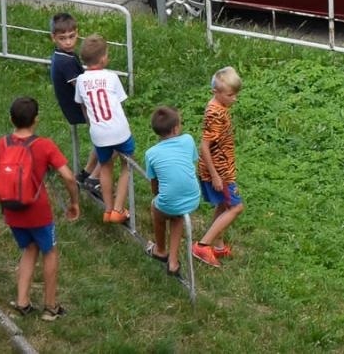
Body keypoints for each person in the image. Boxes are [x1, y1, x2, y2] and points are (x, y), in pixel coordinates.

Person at [0, 96, 81, 321]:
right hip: (38, 213)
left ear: (11, 119)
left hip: (11, 210)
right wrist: (73, 201)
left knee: (29, 249)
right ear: (36, 119)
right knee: (49, 251)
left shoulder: (2, 143)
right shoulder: (44, 145)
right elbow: (67, 176)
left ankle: (22, 302)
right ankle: (50, 307)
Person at [72, 35, 133, 224]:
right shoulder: (112, 77)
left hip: (98, 132)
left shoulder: (81, 80)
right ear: (104, 58)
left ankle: (107, 210)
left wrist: (92, 124)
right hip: (119, 130)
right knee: (127, 165)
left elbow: (82, 106)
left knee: (105, 166)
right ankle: (118, 208)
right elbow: (120, 104)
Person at [193, 66, 245, 268]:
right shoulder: (215, 114)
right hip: (220, 172)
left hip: (223, 169)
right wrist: (215, 176)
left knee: (223, 205)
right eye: (231, 95)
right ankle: (203, 245)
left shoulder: (219, 107)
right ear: (216, 92)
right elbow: (204, 146)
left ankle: (219, 245)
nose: (235, 99)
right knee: (236, 207)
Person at [48, 14, 100, 196]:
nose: (68, 42)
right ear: (53, 38)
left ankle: (86, 173)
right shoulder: (66, 61)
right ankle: (94, 179)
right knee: (109, 141)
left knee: (100, 140)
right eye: (62, 38)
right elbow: (81, 89)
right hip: (78, 109)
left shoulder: (62, 55)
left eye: (72, 37)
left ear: (77, 34)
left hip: (76, 106)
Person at [143, 106, 199, 278]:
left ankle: (160, 250)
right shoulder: (188, 140)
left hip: (170, 201)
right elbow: (190, 163)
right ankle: (173, 262)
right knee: (177, 215)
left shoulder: (151, 153)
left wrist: (156, 195)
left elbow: (154, 182)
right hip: (193, 197)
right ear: (176, 128)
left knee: (157, 209)